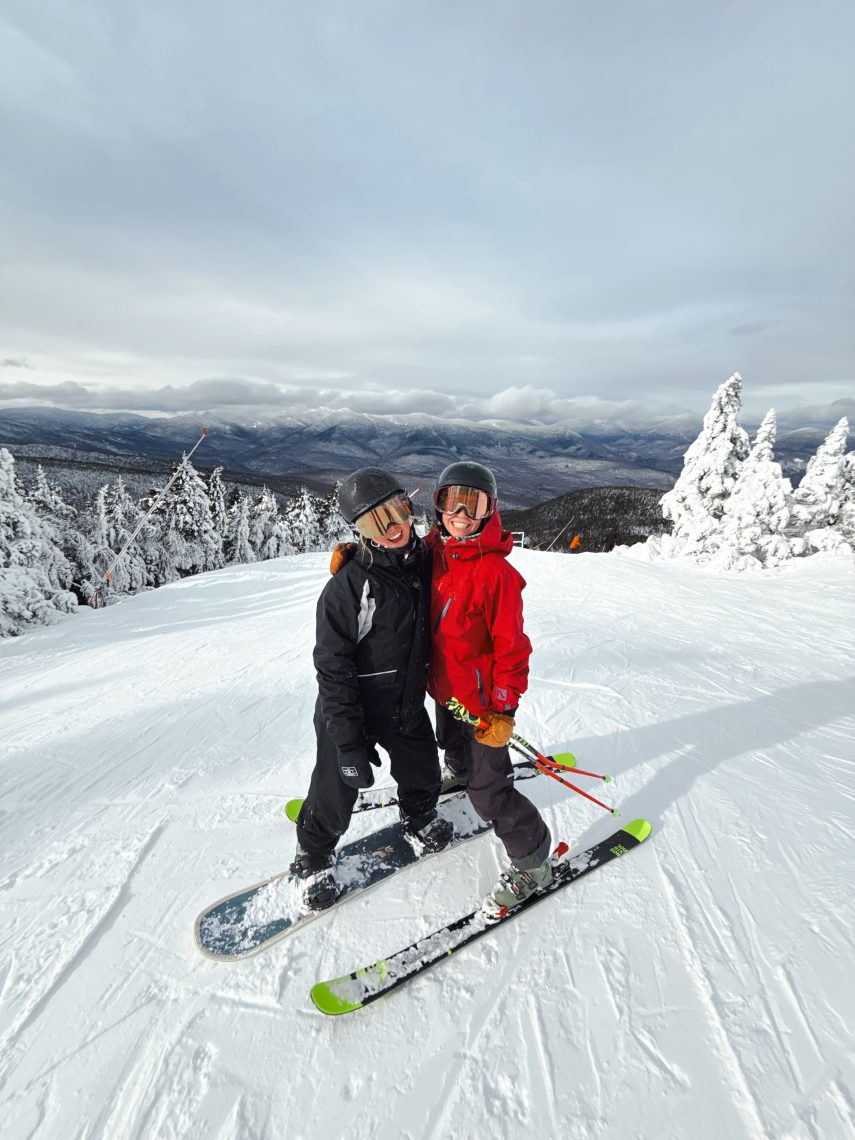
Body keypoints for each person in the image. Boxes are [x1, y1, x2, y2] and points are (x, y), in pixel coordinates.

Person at [291, 467, 452, 910]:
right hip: (350, 712)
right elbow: (332, 667)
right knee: (336, 785)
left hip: (404, 703)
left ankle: (418, 813)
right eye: (376, 524)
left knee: (422, 769)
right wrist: (347, 743)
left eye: (398, 513)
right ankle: (314, 850)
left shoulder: (423, 562)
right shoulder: (346, 589)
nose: (396, 529)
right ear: (360, 533)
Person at [426, 461, 552, 917]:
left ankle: (534, 859)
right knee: (449, 742)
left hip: (482, 704)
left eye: (473, 503)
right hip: (446, 690)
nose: (460, 512)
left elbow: (512, 646)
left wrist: (504, 707)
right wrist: (357, 558)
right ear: (437, 506)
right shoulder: (436, 551)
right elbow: (392, 554)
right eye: (450, 500)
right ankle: (459, 770)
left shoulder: (496, 573)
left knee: (490, 792)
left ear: (489, 511)